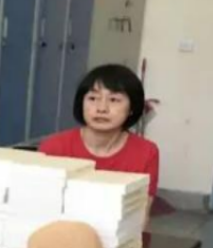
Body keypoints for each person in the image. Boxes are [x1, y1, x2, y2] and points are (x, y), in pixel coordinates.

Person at [39, 64, 160, 218]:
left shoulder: (146, 153)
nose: (102, 108)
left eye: (114, 99)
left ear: (131, 108)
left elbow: (138, 218)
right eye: (93, 98)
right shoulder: (53, 148)